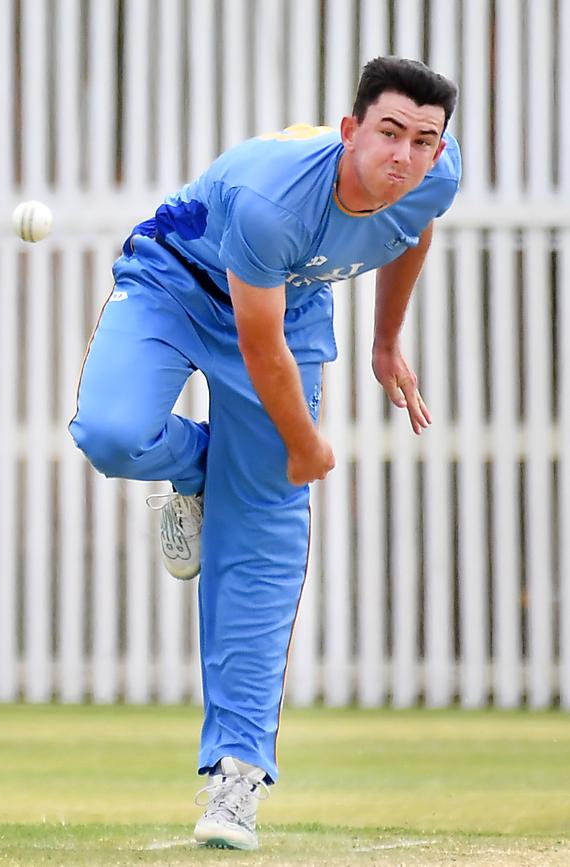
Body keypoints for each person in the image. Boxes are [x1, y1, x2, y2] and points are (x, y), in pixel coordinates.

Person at [69, 56, 460, 851]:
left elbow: (412, 228)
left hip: (295, 300)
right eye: (389, 133)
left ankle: (237, 776)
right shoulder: (273, 198)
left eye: (424, 140)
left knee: (264, 532)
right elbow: (259, 344)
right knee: (113, 434)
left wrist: (386, 343)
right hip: (175, 280)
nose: (406, 158)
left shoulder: (434, 174)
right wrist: (307, 443)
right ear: (349, 130)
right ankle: (202, 471)